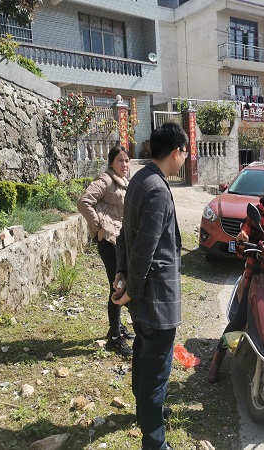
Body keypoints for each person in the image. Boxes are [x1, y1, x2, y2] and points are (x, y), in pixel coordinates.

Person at [111, 122, 188, 450]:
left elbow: (125, 234)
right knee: (156, 369)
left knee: (144, 356)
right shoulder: (156, 189)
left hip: (143, 297)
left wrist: (122, 273)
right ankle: (155, 441)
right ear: (176, 152)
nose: (186, 158)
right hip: (156, 300)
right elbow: (144, 249)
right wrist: (132, 287)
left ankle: (147, 411)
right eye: (185, 152)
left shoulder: (141, 179)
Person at [207, 174, 264, 384]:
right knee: (240, 320)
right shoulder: (255, 214)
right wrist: (241, 240)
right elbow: (241, 244)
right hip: (257, 278)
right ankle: (217, 360)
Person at [76, 145, 134, 357]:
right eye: (120, 160)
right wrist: (98, 227)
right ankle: (115, 338)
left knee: (119, 284)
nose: (124, 164)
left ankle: (116, 327)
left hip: (119, 239)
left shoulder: (123, 181)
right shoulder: (106, 180)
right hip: (108, 240)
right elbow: (83, 202)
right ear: (111, 163)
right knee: (117, 287)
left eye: (126, 160)